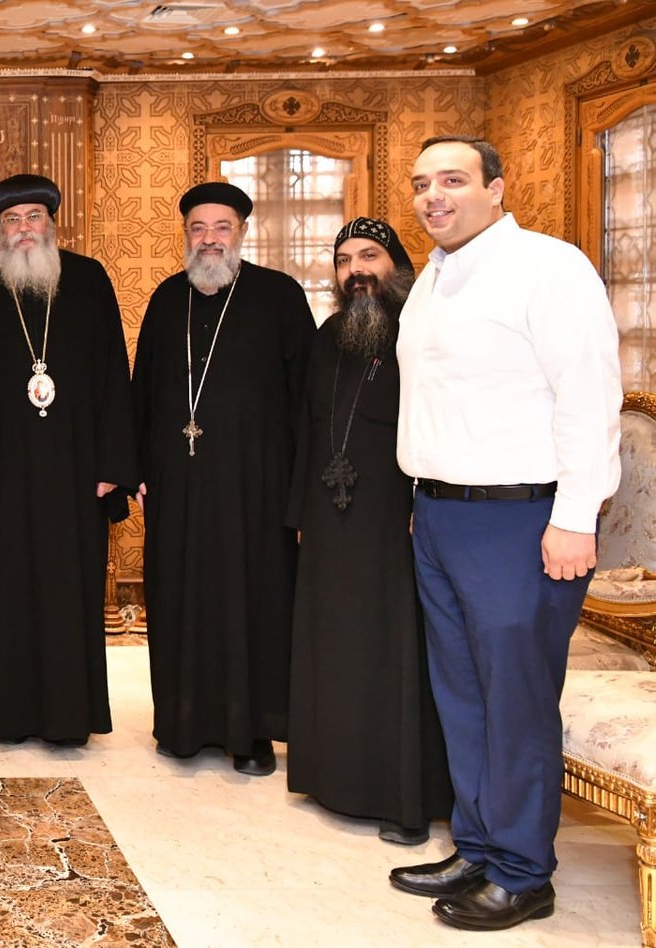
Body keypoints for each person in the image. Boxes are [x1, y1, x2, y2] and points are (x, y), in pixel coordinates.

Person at [387, 136, 621, 931]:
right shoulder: (433, 279)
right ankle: (479, 847)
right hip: (440, 515)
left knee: (515, 701)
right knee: (461, 696)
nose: (432, 196)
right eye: (422, 183)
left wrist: (575, 516)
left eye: (452, 180)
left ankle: (523, 873)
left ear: (495, 188)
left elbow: (588, 397)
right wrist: (425, 492)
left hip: (521, 521)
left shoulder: (549, 268)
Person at [0, 174, 135, 747]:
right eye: (11, 221)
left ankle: (69, 718)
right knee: (5, 589)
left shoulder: (89, 279)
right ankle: (8, 715)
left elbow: (113, 374)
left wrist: (112, 464)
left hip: (76, 471)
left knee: (69, 590)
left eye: (33, 218)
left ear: (51, 223)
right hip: (1, 473)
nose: (23, 229)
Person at [130, 181, 315, 775]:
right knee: (180, 599)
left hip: (255, 487)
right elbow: (142, 392)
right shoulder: (167, 299)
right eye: (198, 228)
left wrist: (301, 488)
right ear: (185, 235)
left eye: (221, 227)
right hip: (177, 485)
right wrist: (138, 469)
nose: (209, 239)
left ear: (242, 232)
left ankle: (252, 732)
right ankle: (181, 723)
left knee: (252, 601)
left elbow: (308, 400)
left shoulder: (279, 296)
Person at [285, 218, 453, 844]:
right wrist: (300, 512)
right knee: (332, 642)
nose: (356, 270)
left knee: (392, 648)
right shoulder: (329, 336)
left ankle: (399, 796)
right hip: (330, 515)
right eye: (344, 259)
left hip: (395, 514)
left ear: (396, 265)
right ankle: (332, 777)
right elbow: (307, 426)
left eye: (369, 256)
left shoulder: (422, 330)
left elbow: (441, 421)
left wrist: (425, 497)